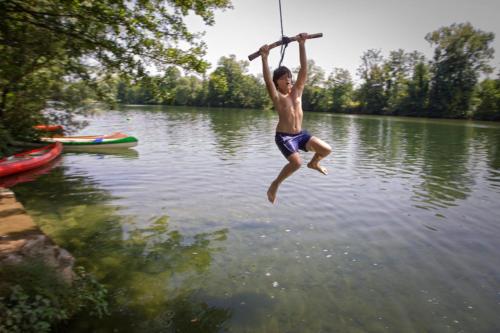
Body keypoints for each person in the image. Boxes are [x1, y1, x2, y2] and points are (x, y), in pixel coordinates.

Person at [260, 33, 332, 204]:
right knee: (296, 163)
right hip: (284, 137)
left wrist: (302, 44)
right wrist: (264, 57)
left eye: (289, 76)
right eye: (284, 78)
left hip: (300, 135)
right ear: (277, 83)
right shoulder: (277, 97)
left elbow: (304, 69)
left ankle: (314, 164)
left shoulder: (297, 91)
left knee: (326, 150)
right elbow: (267, 81)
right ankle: (275, 185)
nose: (289, 79)